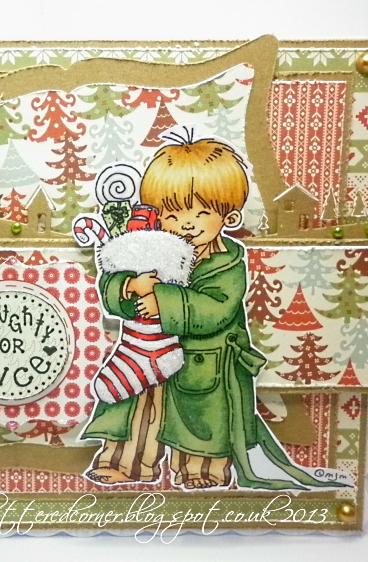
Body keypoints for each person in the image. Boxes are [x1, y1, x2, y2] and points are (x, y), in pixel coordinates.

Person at [81, 136, 340, 491]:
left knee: (202, 422)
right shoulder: (153, 248)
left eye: (202, 212)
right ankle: (125, 464)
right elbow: (111, 284)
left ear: (228, 215)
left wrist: (163, 302)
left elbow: (215, 308)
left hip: (206, 364)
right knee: (136, 411)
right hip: (144, 355)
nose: (187, 224)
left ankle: (201, 472)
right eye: (173, 214)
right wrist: (129, 286)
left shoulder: (227, 262)